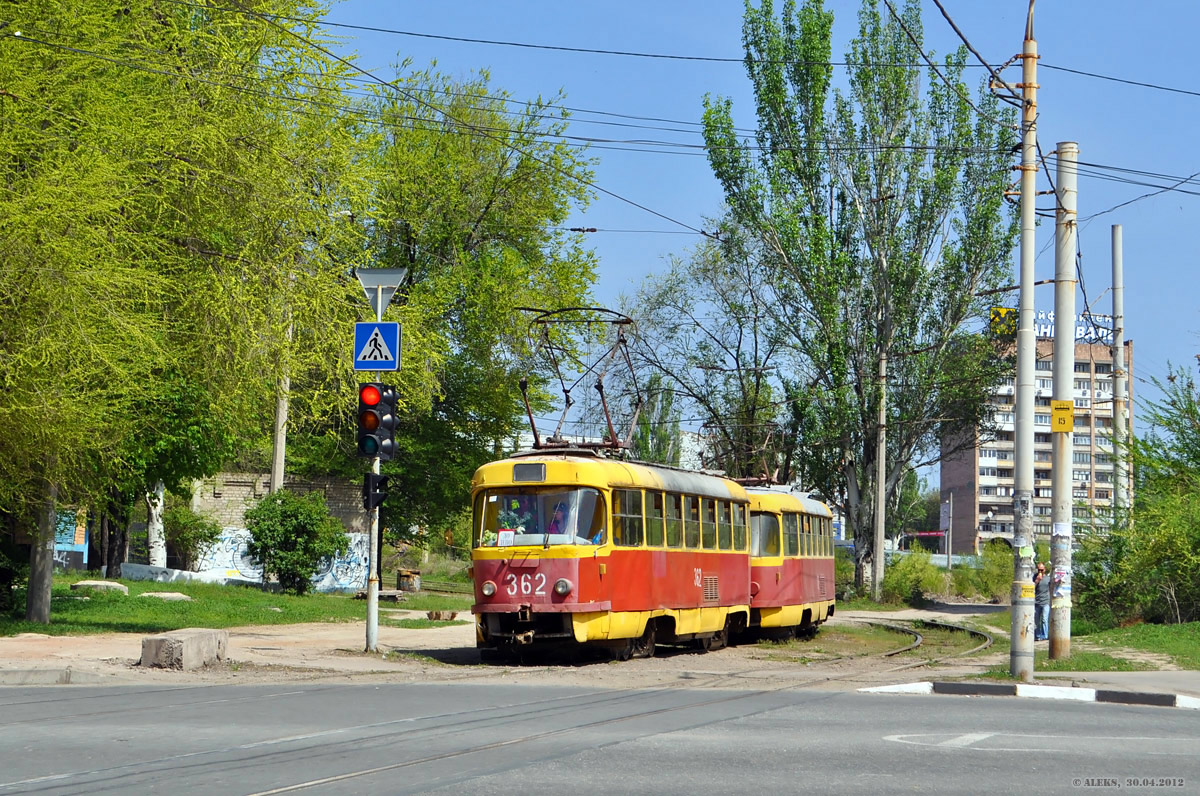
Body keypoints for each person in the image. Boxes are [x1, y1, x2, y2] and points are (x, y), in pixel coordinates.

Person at [1033, 562, 1050, 641]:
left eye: (1041, 570)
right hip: (1036, 602)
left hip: (1045, 602)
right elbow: (1031, 588)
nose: (1040, 572)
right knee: (1036, 620)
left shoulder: (1048, 579)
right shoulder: (1034, 577)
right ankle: (1037, 635)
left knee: (1044, 619)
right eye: (1039, 570)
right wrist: (1036, 581)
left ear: (1045, 570)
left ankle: (1045, 635)